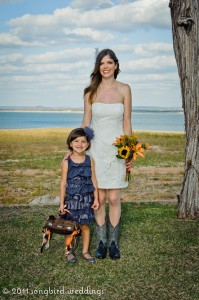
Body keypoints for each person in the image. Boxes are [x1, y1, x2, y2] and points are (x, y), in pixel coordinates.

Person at [81, 48, 133, 260]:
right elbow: (86, 123)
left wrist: (129, 151)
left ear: (116, 65)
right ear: (98, 67)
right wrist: (79, 149)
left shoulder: (125, 89)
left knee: (113, 197)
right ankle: (102, 242)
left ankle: (114, 242)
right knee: (100, 198)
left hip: (117, 150)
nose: (105, 66)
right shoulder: (89, 92)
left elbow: (127, 122)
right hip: (96, 150)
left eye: (109, 62)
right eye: (102, 63)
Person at [60, 127, 99, 263]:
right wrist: (61, 203)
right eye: (76, 141)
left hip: (87, 199)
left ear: (88, 144)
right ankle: (69, 251)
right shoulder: (66, 161)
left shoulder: (90, 160)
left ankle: (85, 251)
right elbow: (63, 183)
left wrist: (97, 199)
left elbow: (94, 180)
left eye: (83, 141)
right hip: (71, 200)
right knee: (70, 226)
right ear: (70, 143)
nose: (80, 144)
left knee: (85, 226)